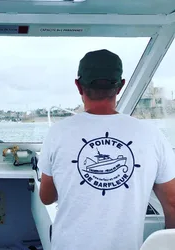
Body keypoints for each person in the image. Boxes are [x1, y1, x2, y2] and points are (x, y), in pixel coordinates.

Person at [38, 49, 175, 250]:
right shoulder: (152, 135)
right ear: (120, 87)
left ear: (78, 86)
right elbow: (172, 202)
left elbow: (47, 197)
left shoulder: (57, 133)